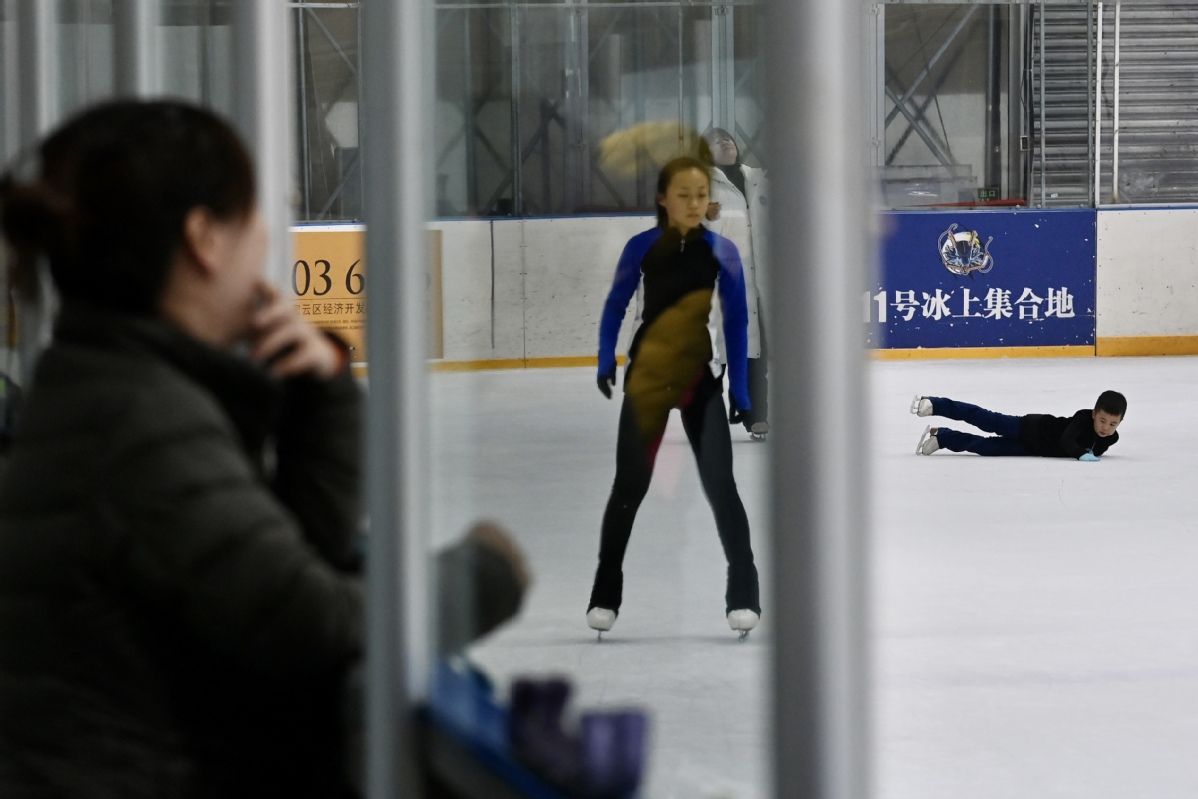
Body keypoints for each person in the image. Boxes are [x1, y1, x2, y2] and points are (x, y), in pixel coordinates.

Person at [0, 99, 528, 799]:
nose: (264, 251)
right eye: (253, 220)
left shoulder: (110, 387)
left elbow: (284, 566)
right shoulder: (142, 426)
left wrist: (323, 391)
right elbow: (318, 627)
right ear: (204, 240)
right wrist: (484, 572)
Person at [591, 155, 761, 639]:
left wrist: (741, 390)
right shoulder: (641, 248)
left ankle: (744, 589)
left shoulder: (723, 252)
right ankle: (606, 589)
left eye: (701, 194)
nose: (693, 202)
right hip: (647, 377)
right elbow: (616, 305)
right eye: (682, 194)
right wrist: (606, 359)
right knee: (630, 486)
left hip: (697, 378)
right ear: (663, 199)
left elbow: (736, 322)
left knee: (721, 486)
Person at [702, 127, 769, 439]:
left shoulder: (760, 180)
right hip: (726, 284)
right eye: (717, 140)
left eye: (728, 138)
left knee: (758, 353)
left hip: (762, 284)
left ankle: (756, 416)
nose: (726, 142)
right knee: (726, 355)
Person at [911, 390, 1126, 459]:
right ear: (1093, 414)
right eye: (1102, 420)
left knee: (986, 448)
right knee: (982, 418)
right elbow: (1067, 440)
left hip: (1033, 448)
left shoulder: (1111, 439)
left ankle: (942, 438)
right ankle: (934, 405)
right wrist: (1081, 454)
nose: (1105, 427)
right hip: (1030, 427)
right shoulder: (1081, 418)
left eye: (1112, 424)